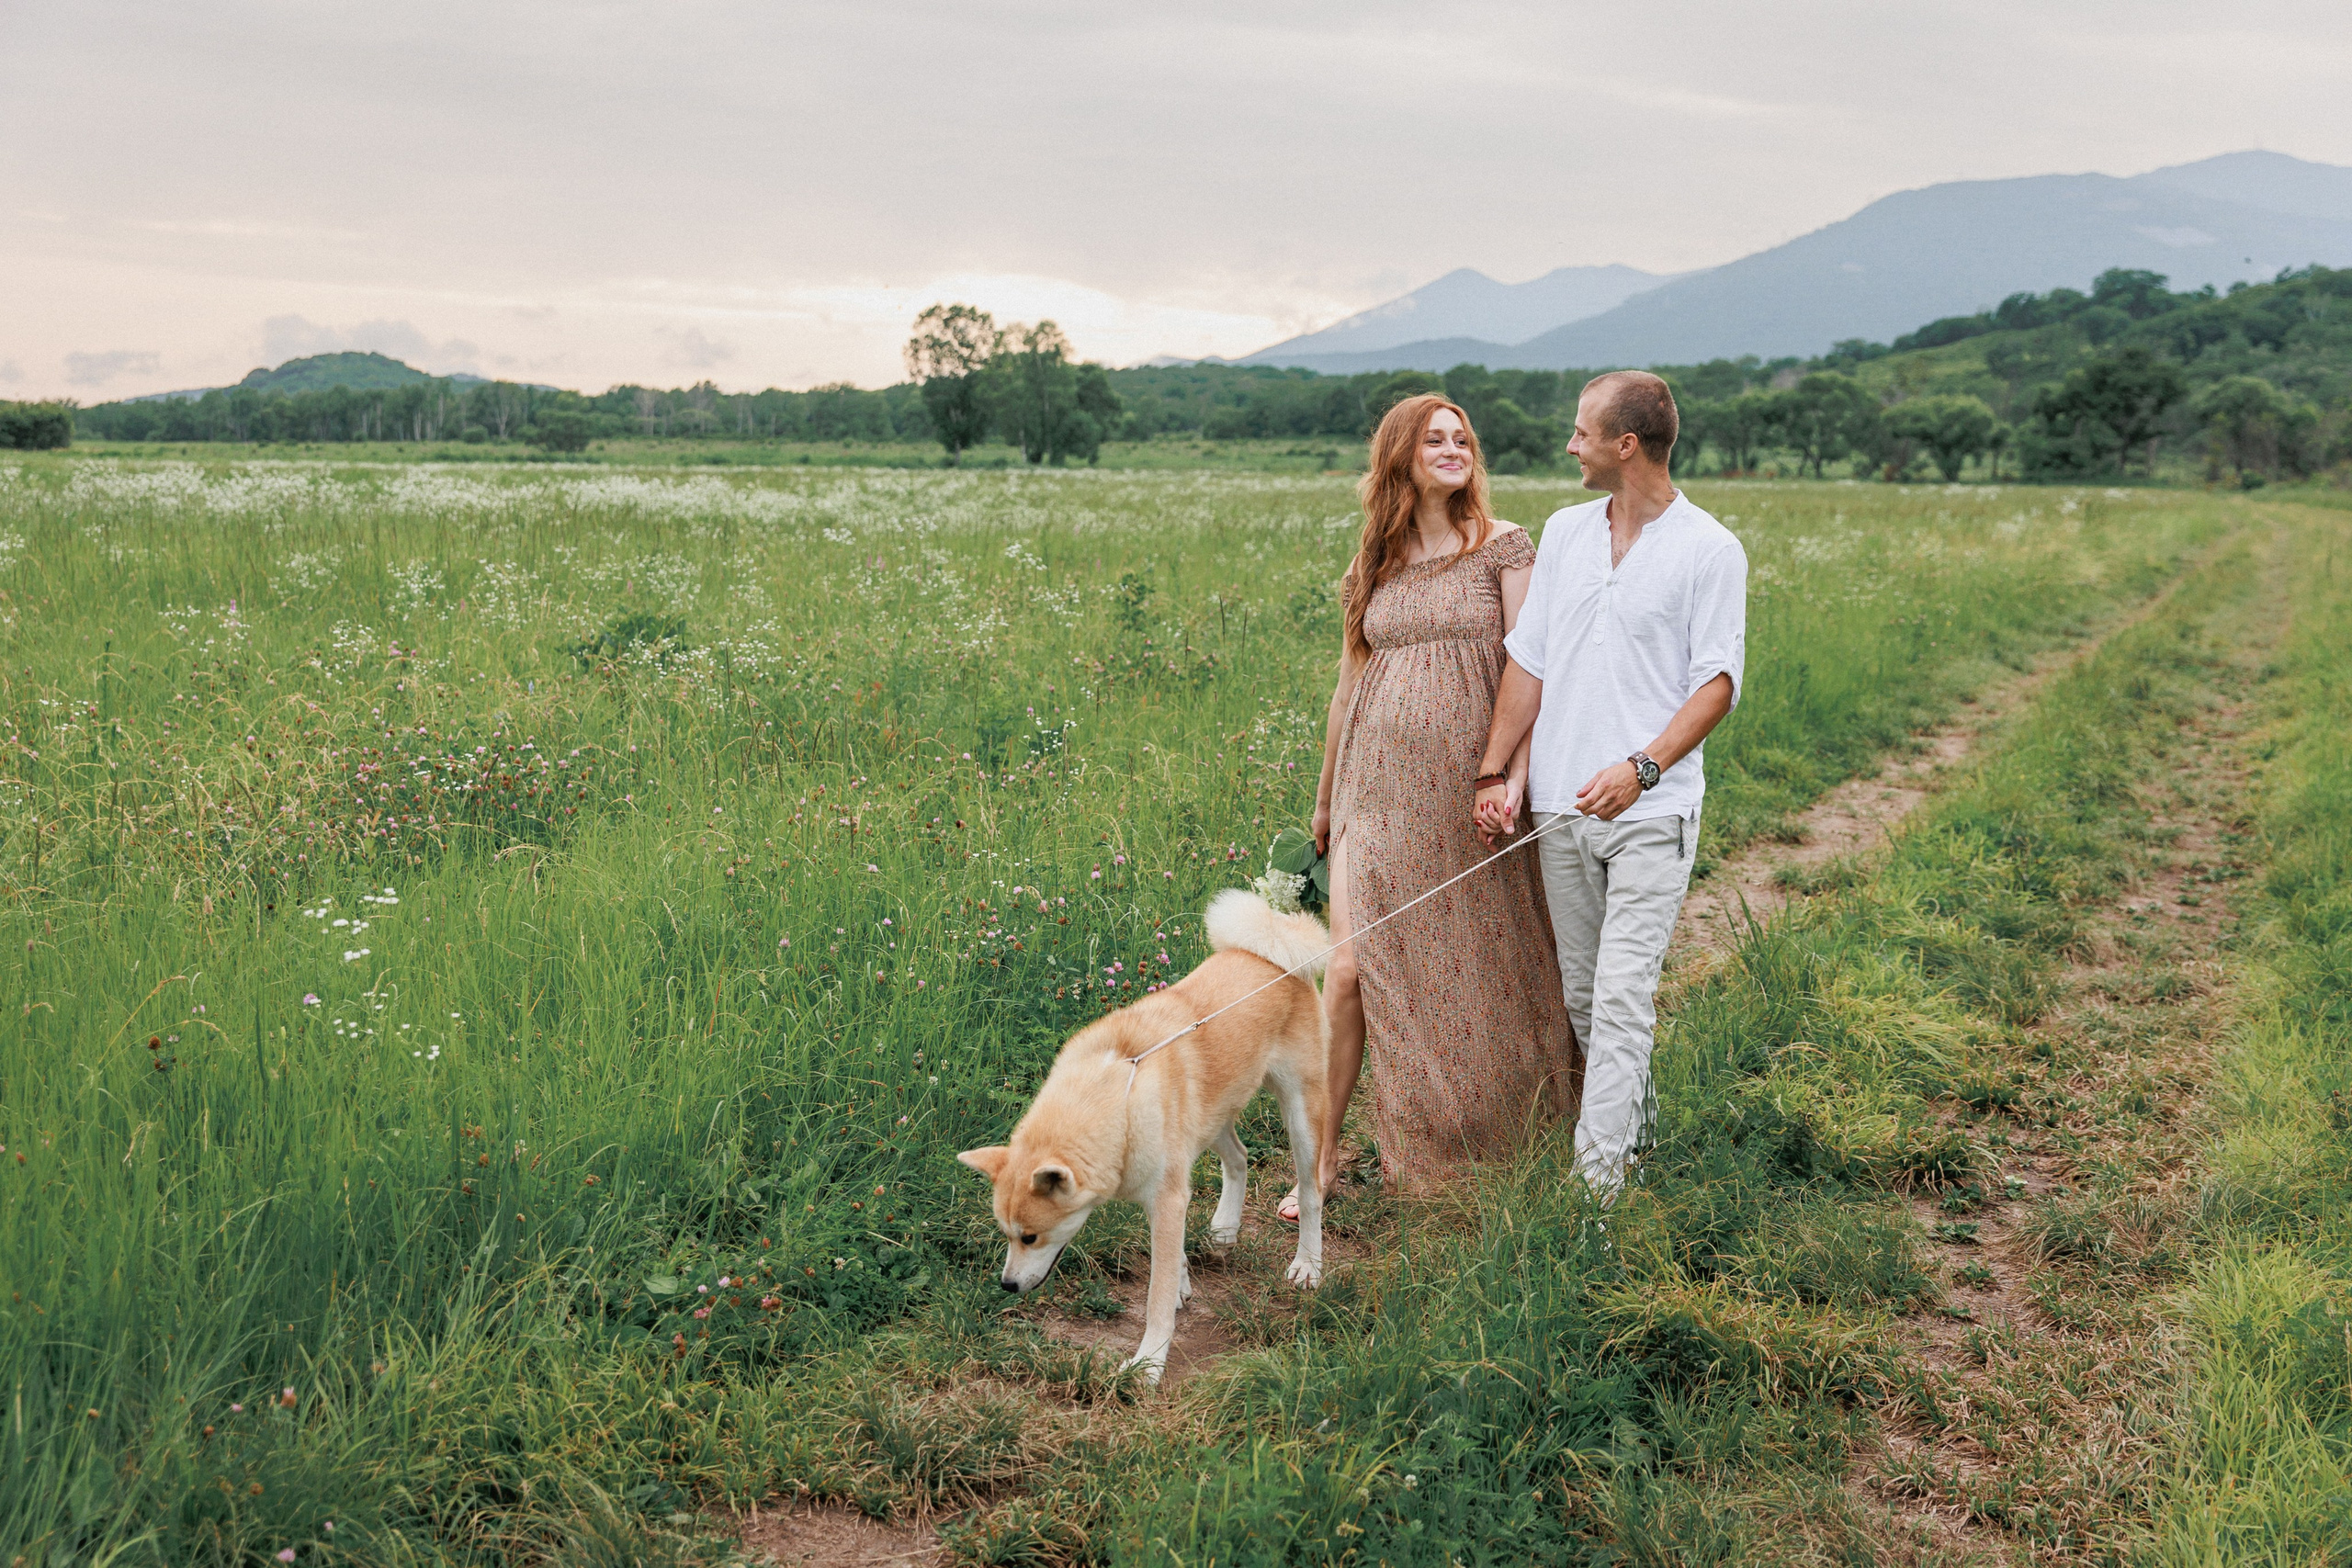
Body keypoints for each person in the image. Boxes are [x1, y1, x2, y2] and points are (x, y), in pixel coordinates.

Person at [1280, 393, 1579, 1218]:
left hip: (1467, 791)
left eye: (1463, 439)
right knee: (1346, 971)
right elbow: (1348, 686)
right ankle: (1324, 1158)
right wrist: (1324, 799)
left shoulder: (1506, 548)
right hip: (1372, 791)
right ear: (1401, 455)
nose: (1454, 449)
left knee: (1483, 969)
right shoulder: (1371, 562)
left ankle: (1514, 1136)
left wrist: (1511, 777)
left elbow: (1533, 669)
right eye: (1435, 439)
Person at [1473, 370, 1746, 1200]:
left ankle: (1594, 1196)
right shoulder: (1564, 532)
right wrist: (1495, 767)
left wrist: (1644, 766)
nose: (1570, 445)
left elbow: (1718, 682)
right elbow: (1532, 659)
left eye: (1582, 432)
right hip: (1560, 805)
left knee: (1624, 998)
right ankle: (1638, 1133)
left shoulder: (1710, 548)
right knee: (1587, 1000)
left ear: (1625, 446)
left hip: (1651, 809)